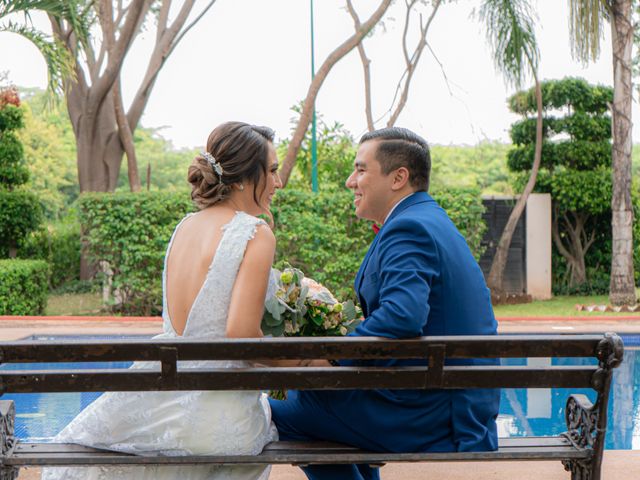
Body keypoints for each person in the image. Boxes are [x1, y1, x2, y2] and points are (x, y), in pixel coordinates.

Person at [42, 121, 283, 480]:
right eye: (274, 170)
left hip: (161, 397)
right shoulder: (255, 233)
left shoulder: (184, 227)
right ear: (247, 176)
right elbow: (241, 335)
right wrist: (303, 362)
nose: (279, 182)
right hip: (219, 419)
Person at [269, 127, 500, 480]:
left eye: (361, 169)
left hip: (434, 413)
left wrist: (331, 356)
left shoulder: (409, 228)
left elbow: (403, 316)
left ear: (399, 178)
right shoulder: (425, 218)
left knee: (277, 412)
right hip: (441, 398)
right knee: (316, 399)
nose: (351, 181)